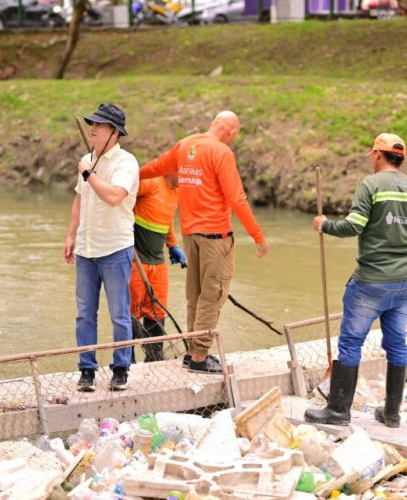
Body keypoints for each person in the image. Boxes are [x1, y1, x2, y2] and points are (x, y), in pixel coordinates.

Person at [304, 133, 407, 428]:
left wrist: (325, 225)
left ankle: (337, 411)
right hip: (404, 281)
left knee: (350, 342)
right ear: (401, 158)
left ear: (377, 155)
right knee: (397, 345)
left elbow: (354, 225)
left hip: (371, 281)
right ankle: (391, 413)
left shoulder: (370, 185)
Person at [139, 111, 268, 374]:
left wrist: (127, 175)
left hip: (190, 236)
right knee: (213, 296)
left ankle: (190, 352)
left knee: (194, 296)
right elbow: (237, 199)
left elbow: (154, 168)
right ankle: (199, 356)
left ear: (213, 124)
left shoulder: (185, 144)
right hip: (215, 237)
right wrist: (257, 235)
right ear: (231, 133)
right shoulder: (221, 152)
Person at [63, 103, 139, 392]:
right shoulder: (88, 158)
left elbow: (114, 197)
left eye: (100, 125)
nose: (92, 128)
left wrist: (88, 175)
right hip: (86, 248)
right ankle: (87, 369)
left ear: (115, 132)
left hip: (115, 248)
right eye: (91, 124)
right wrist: (70, 235)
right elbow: (79, 200)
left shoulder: (126, 163)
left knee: (119, 313)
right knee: (84, 313)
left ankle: (121, 367)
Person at [129, 173, 185, 362]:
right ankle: (127, 362)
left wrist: (173, 245)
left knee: (157, 311)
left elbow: (167, 219)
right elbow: (122, 195)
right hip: (135, 259)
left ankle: (154, 359)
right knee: (131, 312)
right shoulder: (151, 183)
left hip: (158, 261)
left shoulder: (176, 192)